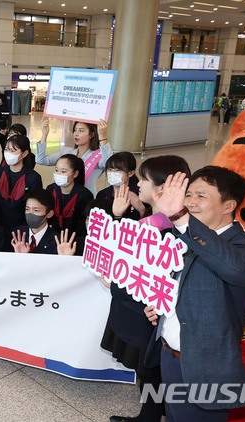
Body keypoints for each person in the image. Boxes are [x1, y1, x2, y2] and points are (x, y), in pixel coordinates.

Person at [144, 166, 245, 421]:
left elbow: (233, 269)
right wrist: (161, 306)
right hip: (169, 354)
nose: (190, 202)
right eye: (188, 195)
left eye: (201, 196)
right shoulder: (179, 238)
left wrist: (180, 218)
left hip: (206, 366)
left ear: (228, 205)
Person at [102, 155, 192, 422]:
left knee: (151, 370)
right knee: (148, 371)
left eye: (144, 179)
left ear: (163, 188)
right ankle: (151, 413)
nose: (138, 183)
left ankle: (150, 416)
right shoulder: (152, 217)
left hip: (148, 314)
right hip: (135, 309)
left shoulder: (169, 230)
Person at [36, 118, 112, 196]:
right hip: (64, 196)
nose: (76, 134)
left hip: (86, 198)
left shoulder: (97, 156)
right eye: (75, 130)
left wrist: (103, 136)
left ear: (92, 134)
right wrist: (44, 135)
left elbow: (109, 163)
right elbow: (40, 160)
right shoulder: (66, 152)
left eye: (81, 131)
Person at [45, 154, 93, 254]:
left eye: (63, 171)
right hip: (52, 238)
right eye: (56, 170)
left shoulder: (85, 195)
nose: (58, 174)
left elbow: (83, 225)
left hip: (74, 241)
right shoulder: (50, 189)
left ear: (75, 174)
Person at [10, 189, 68, 255]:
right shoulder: (16, 235)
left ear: (49, 214)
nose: (30, 214)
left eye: (36, 210)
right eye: (27, 209)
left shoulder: (59, 241)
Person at [96, 152, 145, 221]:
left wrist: (142, 209)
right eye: (110, 170)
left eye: (117, 170)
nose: (112, 173)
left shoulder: (140, 194)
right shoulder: (102, 194)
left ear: (131, 173)